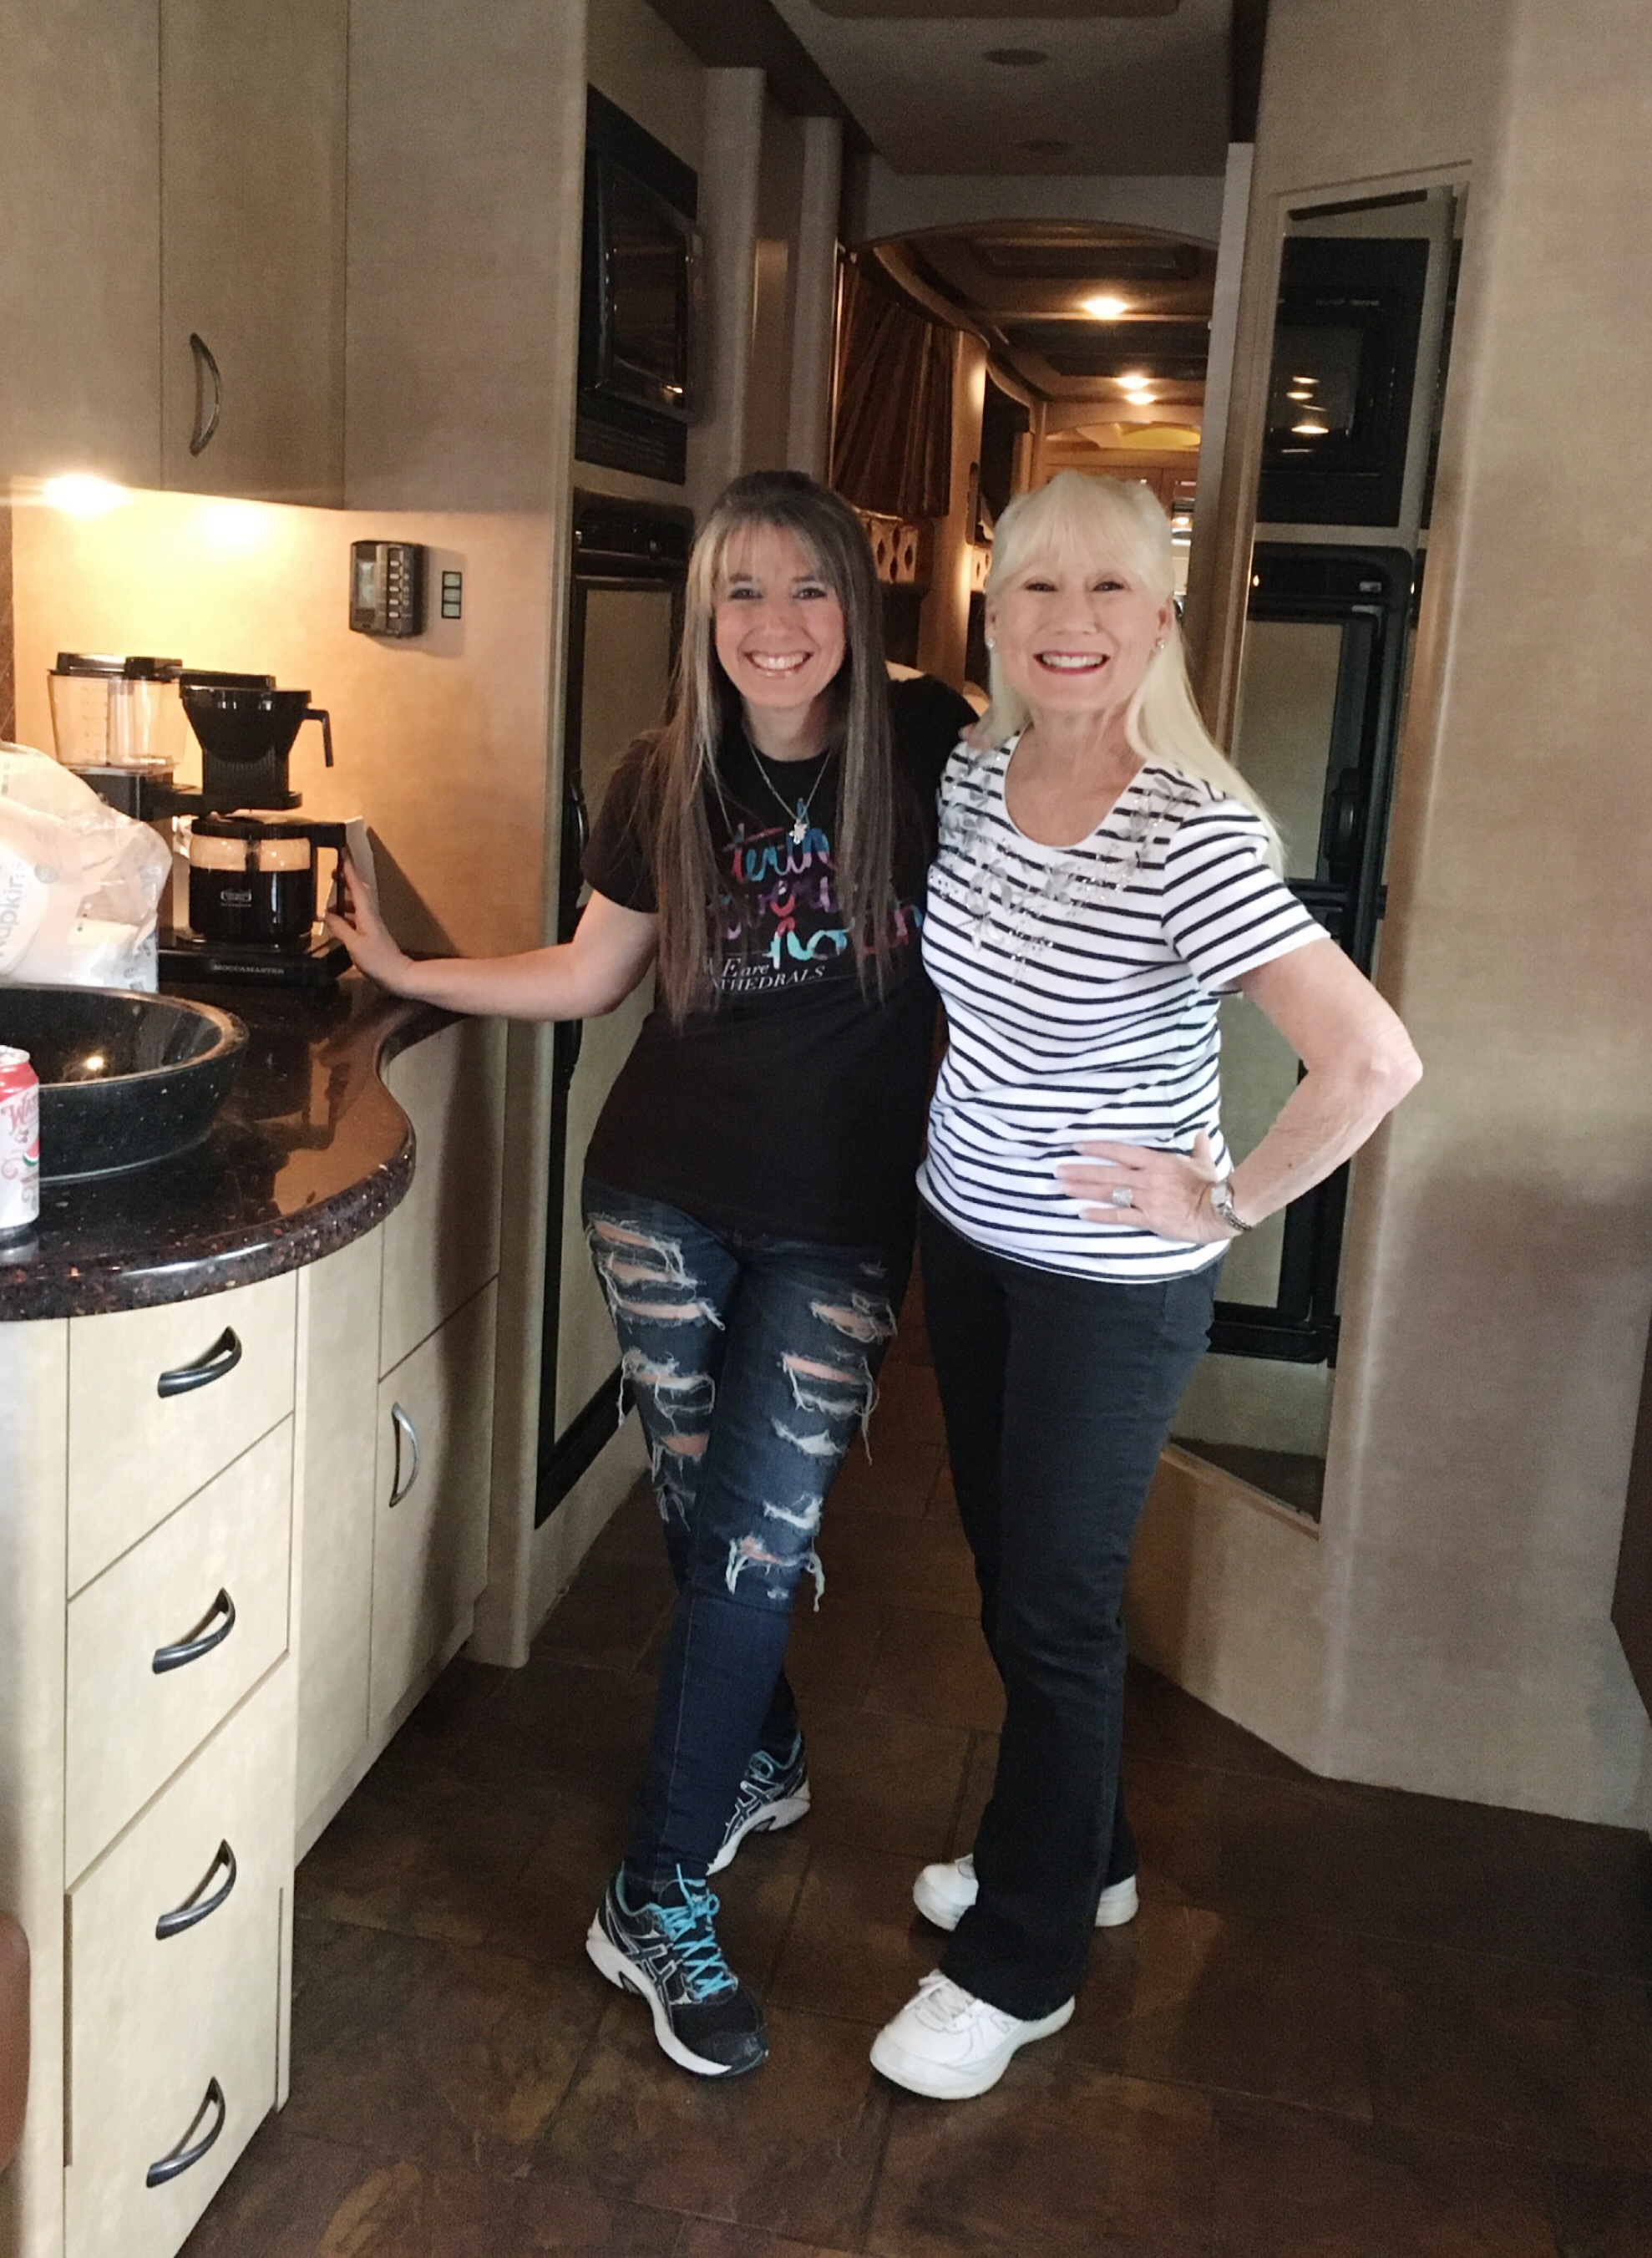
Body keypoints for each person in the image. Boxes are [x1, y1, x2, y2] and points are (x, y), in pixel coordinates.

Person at [327, 470, 973, 2081]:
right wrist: (413, 969)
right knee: (707, 1528)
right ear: (703, 615)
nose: (775, 625)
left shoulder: (930, 746)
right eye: (741, 591)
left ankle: (652, 1888)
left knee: (754, 1542)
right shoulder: (659, 774)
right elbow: (591, 972)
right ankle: (757, 1752)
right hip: (658, 1202)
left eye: (809, 588)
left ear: (856, 605)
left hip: (838, 1225)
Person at [869, 470, 1422, 2102]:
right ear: (992, 614)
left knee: (1051, 1602)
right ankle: (1084, 1846)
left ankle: (1022, 1958)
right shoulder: (974, 776)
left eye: (1106, 587)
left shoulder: (1191, 831)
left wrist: (1229, 1193)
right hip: (969, 1240)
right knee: (1012, 1572)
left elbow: (1368, 1058)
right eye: (1034, 587)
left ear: (1160, 618)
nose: (1068, 620)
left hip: (1110, 1286)